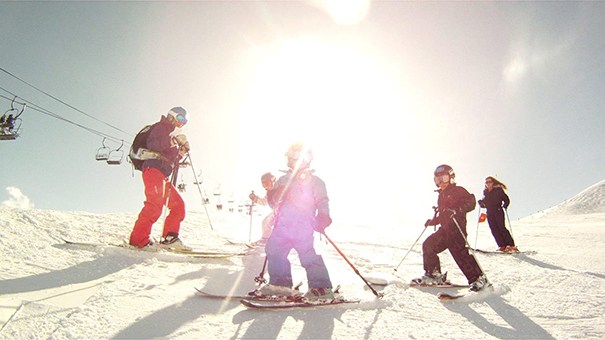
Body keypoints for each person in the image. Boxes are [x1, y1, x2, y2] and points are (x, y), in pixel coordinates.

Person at [257, 143, 334, 301]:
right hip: (282, 226)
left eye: (302, 157)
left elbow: (322, 200)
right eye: (294, 156)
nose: (298, 160)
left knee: (307, 255)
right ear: (288, 159)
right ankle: (280, 285)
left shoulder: (315, 181)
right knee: (274, 251)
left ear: (309, 159)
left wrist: (323, 216)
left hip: (303, 225)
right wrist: (273, 195)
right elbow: (274, 203)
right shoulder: (282, 180)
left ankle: (320, 286)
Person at [414, 164, 489, 292]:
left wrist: (458, 209)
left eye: (443, 178)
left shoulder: (458, 190)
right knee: (429, 245)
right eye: (437, 180)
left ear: (451, 177)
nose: (441, 182)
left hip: (457, 229)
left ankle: (479, 278)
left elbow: (471, 202)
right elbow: (444, 215)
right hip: (445, 230)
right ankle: (434, 274)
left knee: (460, 254)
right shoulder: (441, 195)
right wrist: (434, 221)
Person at [129, 107, 191, 251]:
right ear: (172, 116)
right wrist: (174, 140)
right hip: (152, 170)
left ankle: (169, 238)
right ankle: (138, 240)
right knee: (154, 204)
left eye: (185, 122)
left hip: (162, 176)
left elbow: (171, 159)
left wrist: (181, 152)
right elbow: (154, 145)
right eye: (181, 119)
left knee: (178, 206)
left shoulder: (169, 134)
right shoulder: (161, 127)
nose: (182, 124)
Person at [478, 176, 516, 252]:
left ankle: (511, 246)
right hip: (489, 211)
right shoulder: (485, 192)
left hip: (497, 210)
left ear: (493, 182)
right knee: (493, 228)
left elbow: (506, 198)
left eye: (489, 182)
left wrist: (505, 205)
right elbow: (485, 203)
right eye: (486, 182)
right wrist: (481, 203)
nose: (488, 183)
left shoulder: (498, 190)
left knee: (501, 227)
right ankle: (502, 246)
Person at [248, 172, 277, 245]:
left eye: (266, 183)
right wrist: (255, 198)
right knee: (266, 222)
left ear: (271, 181)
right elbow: (264, 202)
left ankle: (267, 239)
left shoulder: (278, 188)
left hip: (284, 211)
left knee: (267, 222)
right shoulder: (269, 192)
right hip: (277, 211)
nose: (265, 186)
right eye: (263, 184)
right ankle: (267, 239)